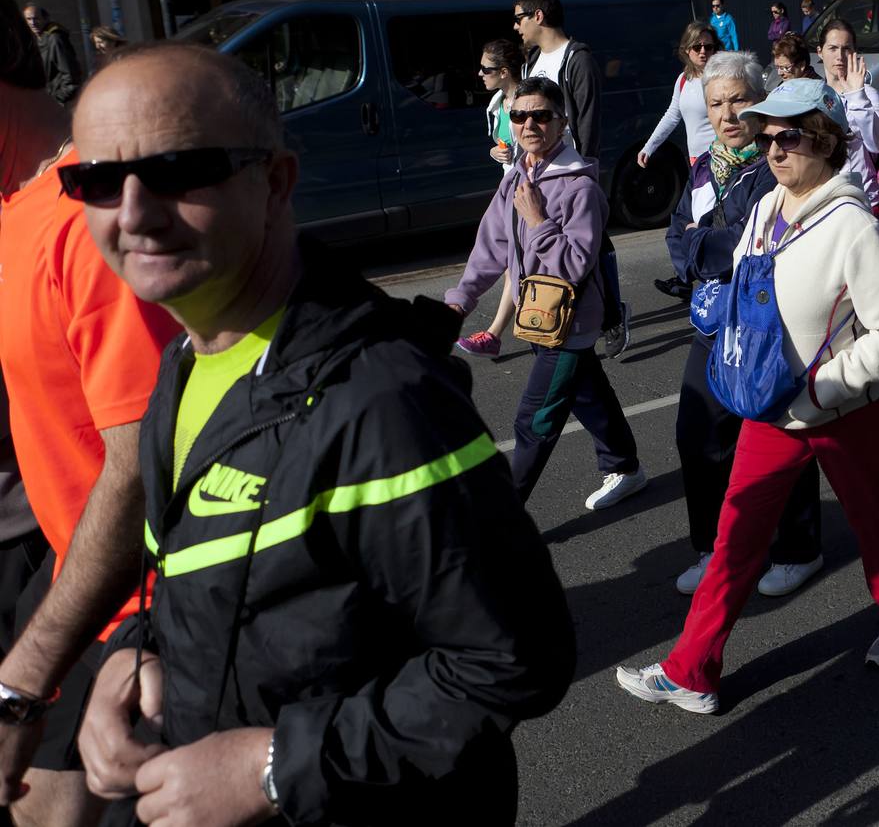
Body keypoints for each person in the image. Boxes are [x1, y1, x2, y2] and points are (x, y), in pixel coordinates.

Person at [66, 42, 575, 826]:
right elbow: (189, 575)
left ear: (275, 181)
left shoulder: (384, 398)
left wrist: (273, 767)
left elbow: (513, 659)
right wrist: (130, 658)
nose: (133, 213)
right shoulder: (181, 363)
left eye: (178, 171)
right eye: (97, 181)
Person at [616, 80, 879, 714]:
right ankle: (692, 671)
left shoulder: (853, 226)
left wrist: (827, 386)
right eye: (766, 138)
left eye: (787, 137)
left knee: (877, 521)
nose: (773, 149)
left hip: (844, 409)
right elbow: (744, 273)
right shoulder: (766, 207)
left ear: (822, 140)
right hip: (770, 404)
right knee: (735, 534)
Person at [0, 0, 178, 827]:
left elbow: (142, 460)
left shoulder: (84, 218)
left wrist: (27, 673)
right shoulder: (11, 207)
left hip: (115, 610)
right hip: (58, 574)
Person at [445, 76, 648, 512]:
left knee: (534, 420)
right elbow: (492, 244)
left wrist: (538, 222)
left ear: (562, 123)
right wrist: (462, 297)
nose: (529, 124)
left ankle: (503, 517)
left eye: (541, 115)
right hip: (536, 316)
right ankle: (626, 467)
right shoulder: (518, 176)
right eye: (520, 115)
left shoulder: (579, 188)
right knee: (586, 390)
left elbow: (575, 263)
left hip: (568, 321)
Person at [664, 53, 826, 598]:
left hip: (769, 320)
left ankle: (799, 547)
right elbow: (675, 240)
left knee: (778, 431)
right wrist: (701, 244)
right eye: (716, 102)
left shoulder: (778, 159)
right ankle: (713, 548)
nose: (728, 113)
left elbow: (751, 248)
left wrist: (700, 240)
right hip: (713, 321)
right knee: (696, 433)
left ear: (759, 99)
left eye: (737, 99)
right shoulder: (706, 166)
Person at [512, 0, 632, 359]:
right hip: (538, 169)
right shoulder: (531, 60)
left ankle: (612, 314)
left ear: (539, 17)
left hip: (573, 169)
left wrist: (587, 171)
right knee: (541, 239)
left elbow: (588, 120)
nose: (516, 26)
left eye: (519, 18)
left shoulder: (576, 59)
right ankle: (552, 309)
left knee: (592, 246)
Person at [456, 38, 527, 358]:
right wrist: (496, 153)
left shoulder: (527, 102)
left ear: (503, 71)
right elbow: (502, 147)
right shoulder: (498, 103)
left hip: (529, 190)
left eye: (486, 69)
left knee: (515, 262)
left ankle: (494, 332)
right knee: (515, 261)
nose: (480, 74)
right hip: (508, 189)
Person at [643, 23, 722, 301]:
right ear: (686, 50)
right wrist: (649, 147)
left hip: (718, 163)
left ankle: (707, 283)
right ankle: (687, 278)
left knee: (700, 225)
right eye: (697, 47)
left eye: (709, 47)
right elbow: (672, 115)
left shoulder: (721, 77)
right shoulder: (683, 80)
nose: (703, 51)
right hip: (695, 165)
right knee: (680, 227)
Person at [818, 19, 879, 218]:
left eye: (846, 49)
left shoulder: (867, 93)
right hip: (824, 205)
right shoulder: (811, 97)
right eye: (832, 48)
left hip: (865, 204)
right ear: (820, 52)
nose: (839, 56)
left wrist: (857, 95)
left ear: (854, 52)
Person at [20, 2, 80, 105]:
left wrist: (55, 100)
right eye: (29, 19)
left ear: (46, 19)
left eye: (36, 18)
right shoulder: (36, 41)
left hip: (59, 105)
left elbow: (71, 77)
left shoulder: (55, 39)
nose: (32, 23)